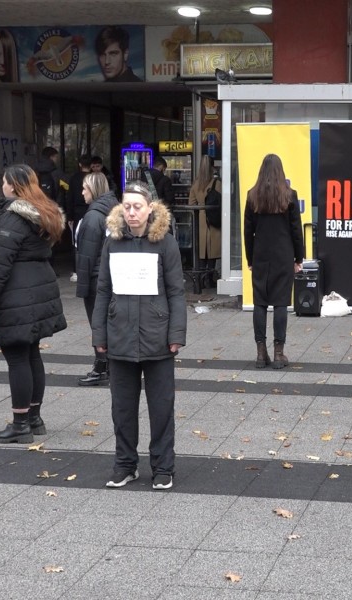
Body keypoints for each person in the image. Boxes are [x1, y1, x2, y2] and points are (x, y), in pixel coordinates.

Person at [92, 180, 186, 490]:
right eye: (127, 206)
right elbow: (103, 289)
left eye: (138, 207)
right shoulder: (112, 242)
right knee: (122, 407)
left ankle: (163, 467)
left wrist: (176, 333)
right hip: (119, 336)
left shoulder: (166, 243)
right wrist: (99, 334)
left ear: (150, 209)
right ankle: (125, 464)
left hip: (157, 337)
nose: (132, 212)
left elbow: (176, 291)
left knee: (161, 408)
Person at [0, 164, 67, 443]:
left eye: (4, 181)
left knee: (17, 357)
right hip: (38, 289)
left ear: (13, 186)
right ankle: (34, 418)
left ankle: (20, 425)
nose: (1, 185)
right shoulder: (43, 213)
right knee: (31, 354)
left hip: (16, 294)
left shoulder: (12, 219)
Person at [243, 154, 305, 370]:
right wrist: (299, 258)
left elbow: (247, 231)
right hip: (283, 255)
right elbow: (296, 230)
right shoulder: (289, 195)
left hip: (261, 255)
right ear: (280, 172)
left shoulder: (252, 196)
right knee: (280, 303)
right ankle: (279, 354)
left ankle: (261, 353)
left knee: (259, 302)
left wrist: (250, 258)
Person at [75, 172, 118, 386]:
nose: (82, 192)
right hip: (112, 274)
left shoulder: (93, 216)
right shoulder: (114, 209)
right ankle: (109, 366)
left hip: (96, 277)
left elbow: (86, 255)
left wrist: (82, 286)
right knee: (109, 322)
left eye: (85, 188)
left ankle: (102, 366)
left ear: (94, 189)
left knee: (98, 323)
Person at [189, 154, 221, 285]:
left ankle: (200, 280)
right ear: (212, 167)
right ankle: (210, 278)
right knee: (213, 251)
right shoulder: (217, 183)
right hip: (213, 219)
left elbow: (191, 204)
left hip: (200, 219)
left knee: (201, 251)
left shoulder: (196, 184)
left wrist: (200, 209)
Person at [65, 155, 93, 283]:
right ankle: (91, 269)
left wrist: (69, 215)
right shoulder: (93, 178)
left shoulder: (74, 178)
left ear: (80, 164)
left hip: (77, 212)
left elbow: (69, 197)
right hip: (92, 211)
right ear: (91, 165)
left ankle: (76, 271)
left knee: (76, 242)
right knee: (93, 240)